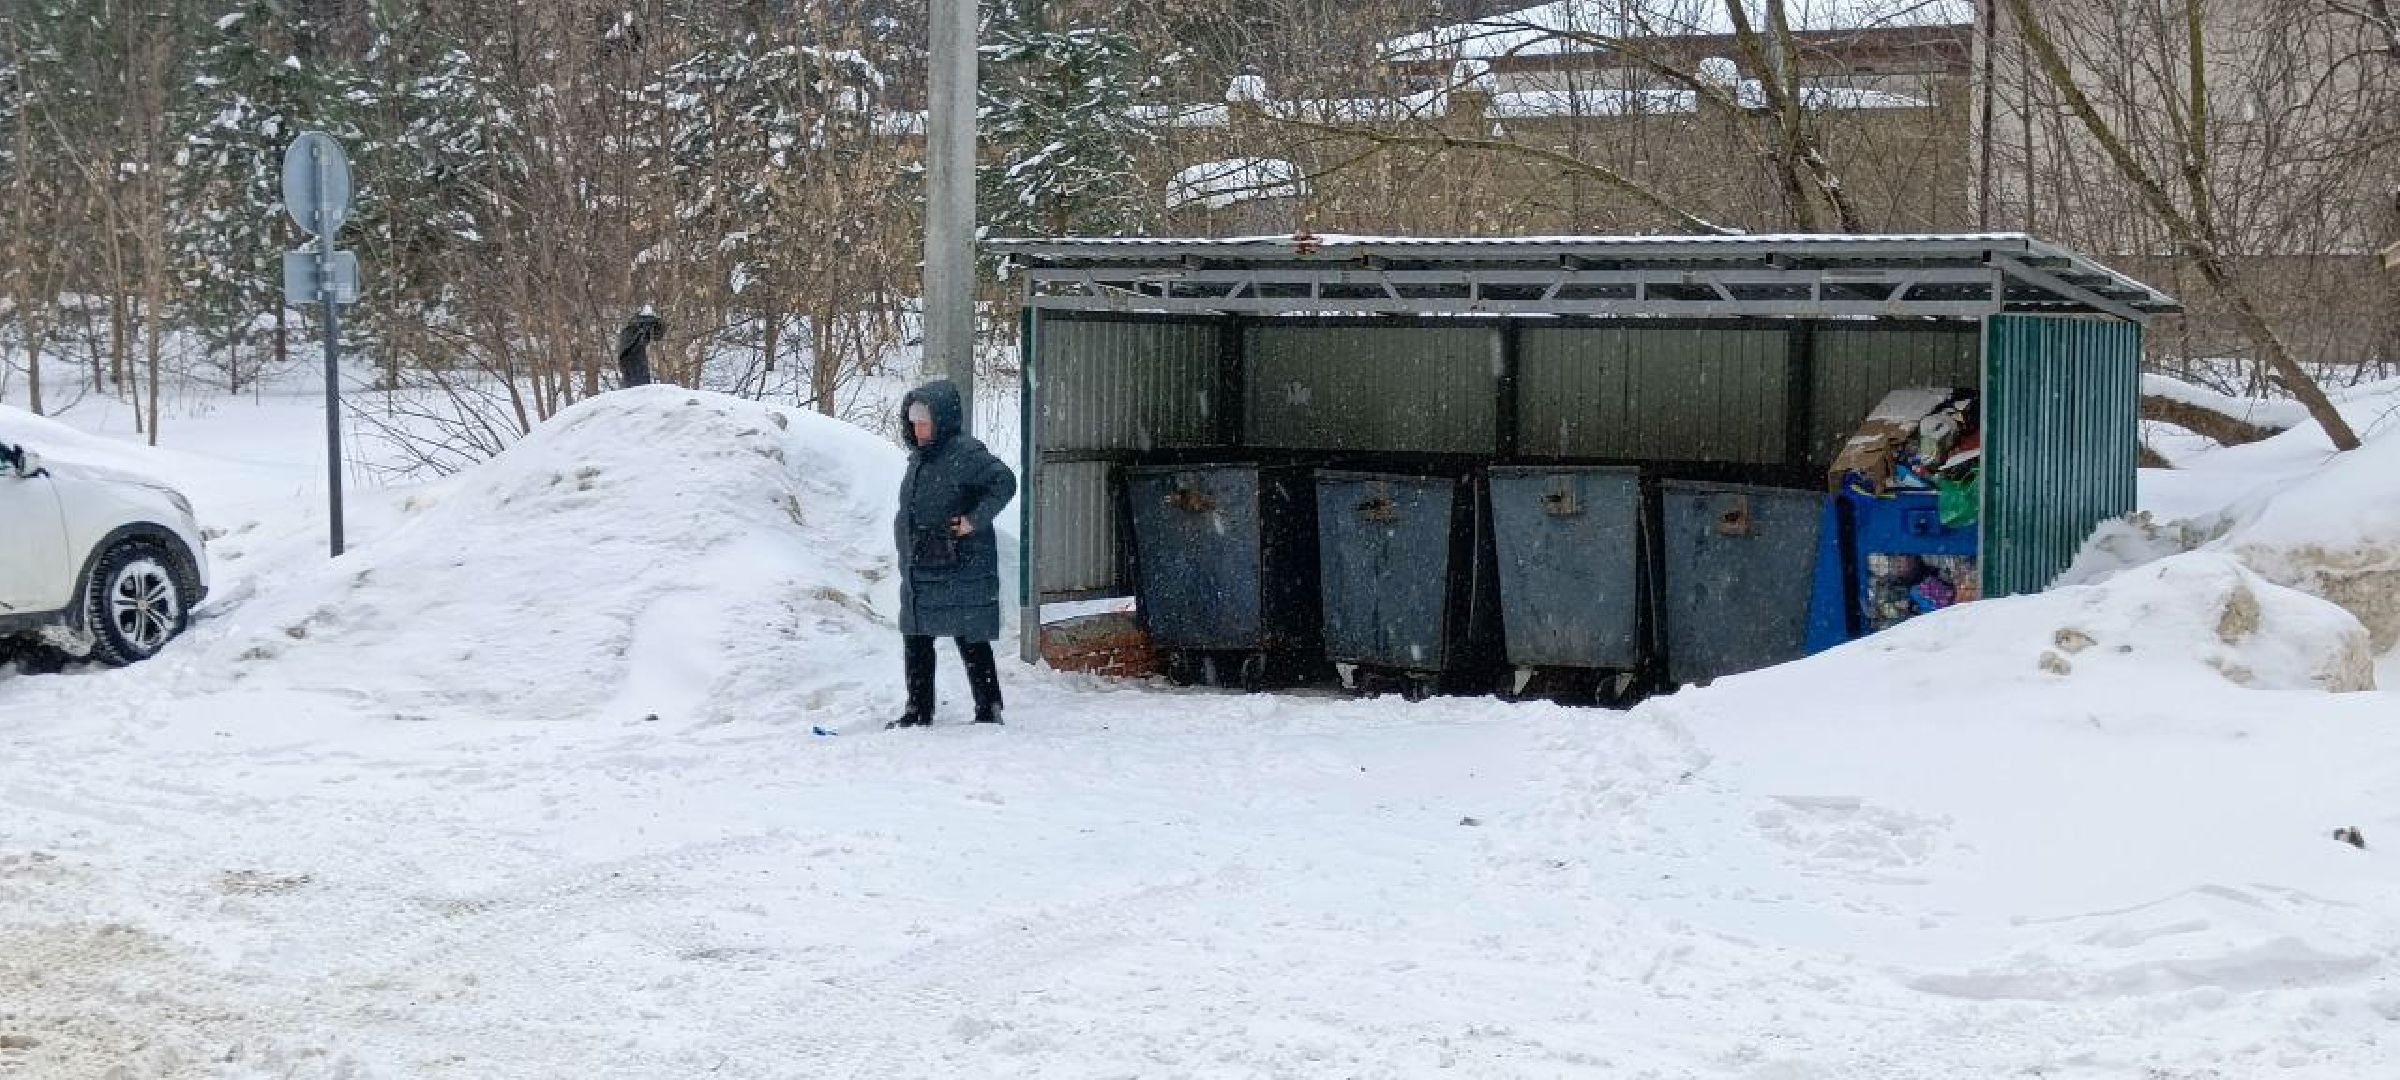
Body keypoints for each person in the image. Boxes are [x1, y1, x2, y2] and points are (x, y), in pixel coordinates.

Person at [890, 379, 1017, 728]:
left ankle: (988, 708)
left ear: (942, 420)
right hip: (923, 562)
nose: (917, 430)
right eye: (913, 423)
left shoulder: (965, 453)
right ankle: (918, 711)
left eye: (924, 423)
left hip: (962, 563)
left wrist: (973, 521)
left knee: (970, 634)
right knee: (916, 635)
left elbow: (1004, 482)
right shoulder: (920, 456)